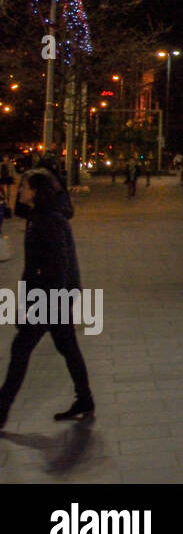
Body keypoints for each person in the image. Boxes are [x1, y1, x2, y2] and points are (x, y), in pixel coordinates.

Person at [0, 172, 94, 428]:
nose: (20, 191)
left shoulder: (47, 221)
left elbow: (58, 267)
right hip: (55, 296)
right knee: (68, 348)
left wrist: (36, 305)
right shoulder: (41, 215)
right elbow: (18, 210)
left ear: (36, 192)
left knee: (21, 349)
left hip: (51, 297)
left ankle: (1, 409)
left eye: (25, 188)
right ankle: (85, 399)